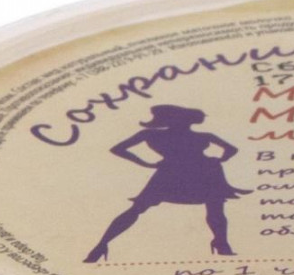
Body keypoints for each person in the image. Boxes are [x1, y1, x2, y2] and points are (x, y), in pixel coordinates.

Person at [84, 105, 249, 261]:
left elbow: (118, 149)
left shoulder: (153, 135)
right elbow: (231, 150)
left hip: (179, 172)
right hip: (194, 172)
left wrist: (145, 163)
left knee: (138, 208)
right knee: (214, 208)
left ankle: (101, 245)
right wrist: (220, 159)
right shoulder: (201, 136)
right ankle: (221, 244)